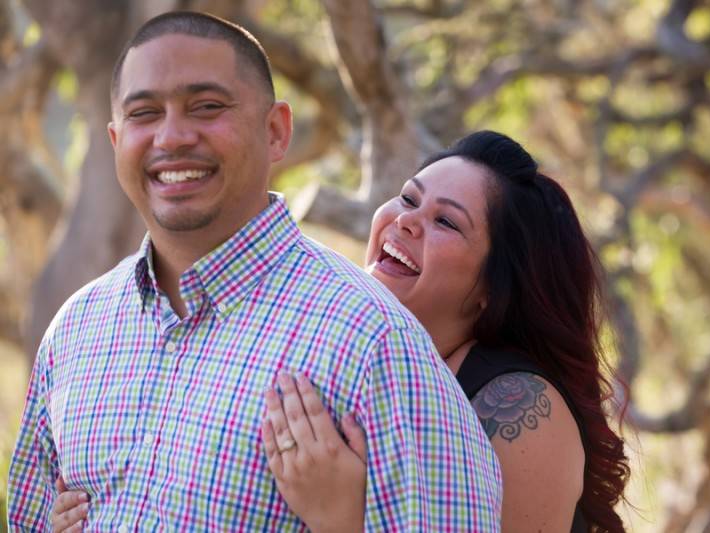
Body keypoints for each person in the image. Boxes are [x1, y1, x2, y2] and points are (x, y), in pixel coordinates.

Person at [8, 12, 502, 531]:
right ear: (115, 141)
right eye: (144, 113)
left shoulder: (373, 341)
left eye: (207, 106)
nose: (172, 137)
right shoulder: (75, 331)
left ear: (276, 131)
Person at [54, 130, 632, 532]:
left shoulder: (519, 406)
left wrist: (343, 519)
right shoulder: (328, 351)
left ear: (492, 288)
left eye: (446, 222)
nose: (406, 220)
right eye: (408, 198)